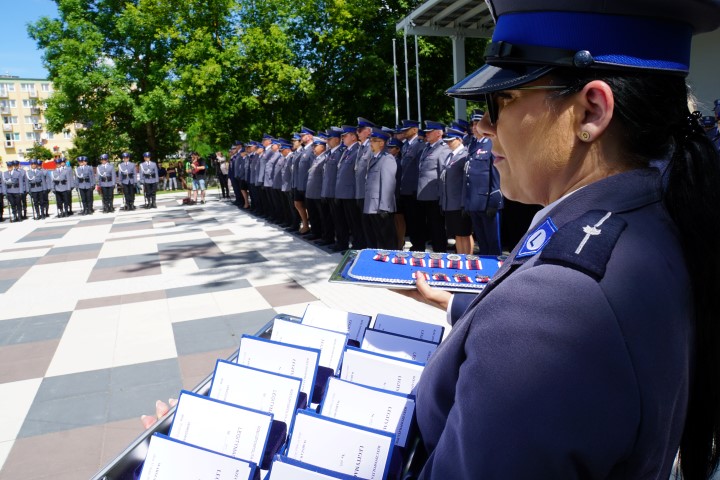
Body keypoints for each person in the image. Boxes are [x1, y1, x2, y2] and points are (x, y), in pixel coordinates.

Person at [400, 1, 720, 478]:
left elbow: (543, 324)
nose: (484, 127)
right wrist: (453, 304)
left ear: (592, 110)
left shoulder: (556, 301)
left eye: (501, 100)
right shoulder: (654, 216)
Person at [464, 109, 504, 255]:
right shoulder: (473, 145)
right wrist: (466, 202)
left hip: (487, 201)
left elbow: (496, 174)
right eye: (473, 124)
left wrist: (495, 200)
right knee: (482, 242)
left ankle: (496, 273)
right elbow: (468, 175)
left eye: (477, 123)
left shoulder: (491, 144)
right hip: (474, 201)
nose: (475, 127)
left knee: (493, 242)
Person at [416, 120, 450, 253]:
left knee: (437, 227)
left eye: (430, 132)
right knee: (430, 226)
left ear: (439, 133)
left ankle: (440, 252)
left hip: (435, 195)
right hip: (424, 194)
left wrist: (441, 195)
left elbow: (442, 173)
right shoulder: (427, 148)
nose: (427, 134)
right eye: (426, 132)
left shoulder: (443, 149)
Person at [438, 127, 472, 254]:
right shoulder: (450, 156)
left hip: (459, 202)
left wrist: (464, 203)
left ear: (459, 140)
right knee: (458, 234)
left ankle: (468, 258)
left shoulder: (465, 155)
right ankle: (461, 257)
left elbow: (465, 181)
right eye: (446, 141)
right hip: (450, 202)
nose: (448, 144)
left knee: (465, 233)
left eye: (450, 141)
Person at [363, 127, 397, 249]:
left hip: (381, 207)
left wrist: (384, 207)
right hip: (373, 205)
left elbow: (388, 184)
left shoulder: (387, 158)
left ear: (381, 143)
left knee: (387, 239)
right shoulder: (375, 158)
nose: (370, 143)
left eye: (373, 140)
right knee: (378, 238)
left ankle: (390, 265)